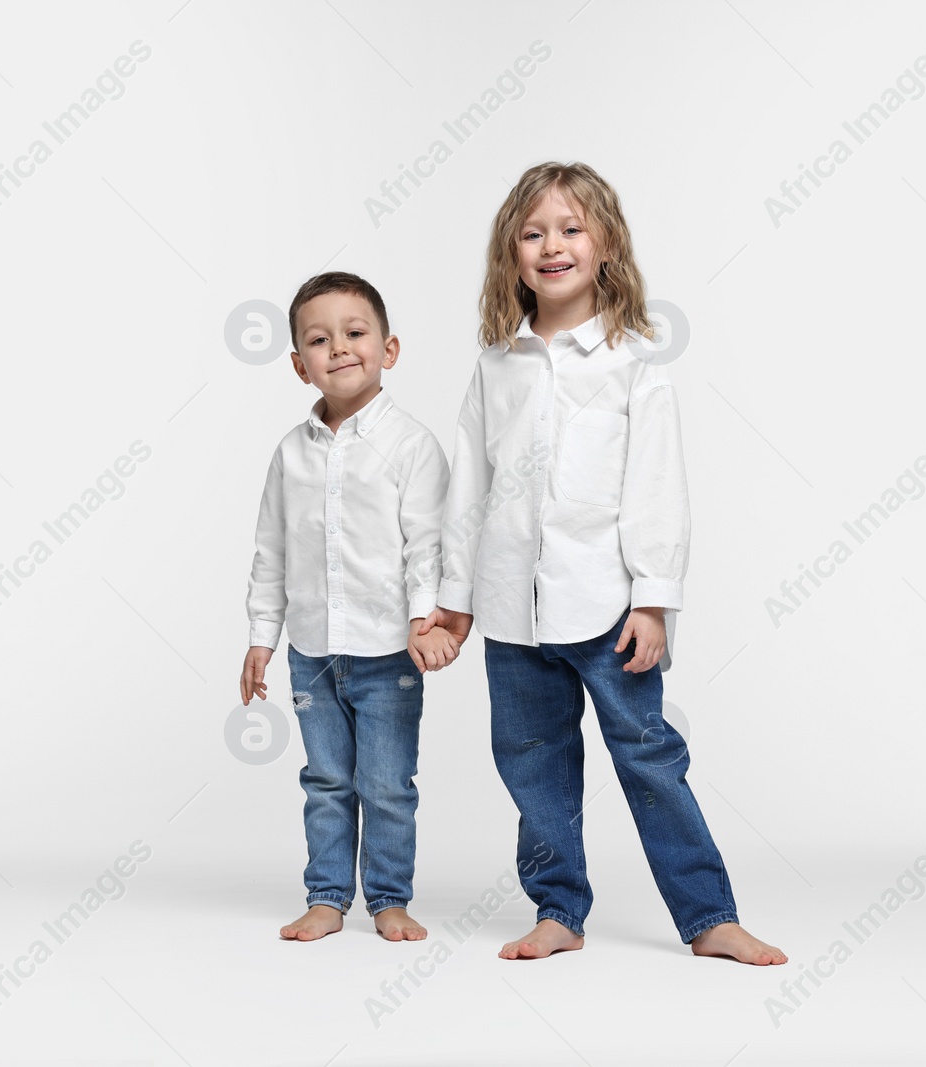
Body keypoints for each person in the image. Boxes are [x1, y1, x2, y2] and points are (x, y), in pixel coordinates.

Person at [419, 162, 787, 965]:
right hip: (513, 612)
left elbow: (657, 492)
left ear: (607, 245)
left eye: (571, 228)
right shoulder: (495, 367)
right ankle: (559, 908)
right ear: (510, 254)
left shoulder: (635, 367)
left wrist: (653, 600)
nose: (552, 245)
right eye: (533, 232)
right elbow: (469, 489)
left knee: (649, 755)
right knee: (531, 763)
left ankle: (708, 914)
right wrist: (454, 597)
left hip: (608, 608)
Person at [242, 271, 460, 942]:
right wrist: (261, 637)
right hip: (312, 652)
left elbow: (428, 542)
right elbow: (270, 549)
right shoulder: (290, 454)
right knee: (326, 778)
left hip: (389, 651)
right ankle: (328, 896)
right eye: (318, 338)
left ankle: (388, 897)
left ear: (389, 348)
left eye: (355, 332)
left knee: (388, 783)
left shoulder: (412, 445)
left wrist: (426, 617)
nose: (338, 347)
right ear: (299, 365)